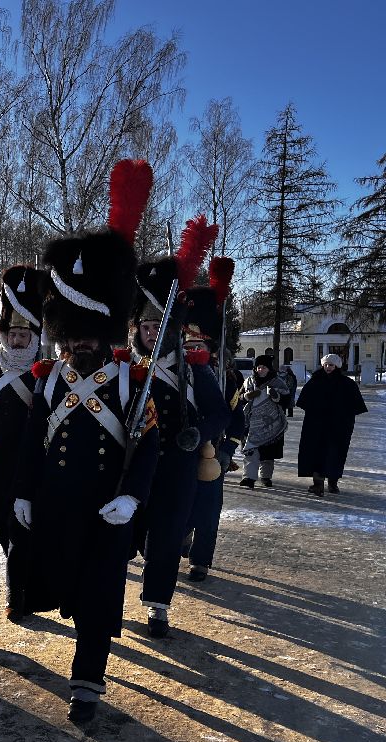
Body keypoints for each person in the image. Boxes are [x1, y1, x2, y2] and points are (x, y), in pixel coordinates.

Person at [14, 158, 159, 723]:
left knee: (100, 596)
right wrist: (24, 490)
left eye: (86, 334)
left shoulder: (131, 381)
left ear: (106, 331)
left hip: (107, 506)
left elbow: (148, 442)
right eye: (69, 335)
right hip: (57, 503)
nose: (77, 344)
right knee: (67, 586)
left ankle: (87, 680)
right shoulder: (48, 379)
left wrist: (135, 495)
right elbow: (33, 439)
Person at [130, 216, 229, 638]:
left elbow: (220, 414)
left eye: (159, 327)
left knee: (168, 537)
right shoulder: (126, 369)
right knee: (129, 534)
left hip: (177, 464)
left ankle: (157, 606)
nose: (151, 334)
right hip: (134, 467)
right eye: (145, 327)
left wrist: (198, 435)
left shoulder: (194, 369)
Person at [0, 264, 49, 621]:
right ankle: (20, 577)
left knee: (20, 533)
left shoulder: (45, 374)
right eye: (12, 334)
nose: (17, 341)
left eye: (24, 334)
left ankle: (16, 591)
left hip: (27, 468)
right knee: (2, 528)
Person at [181, 258, 244, 583]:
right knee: (181, 507)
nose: (192, 348)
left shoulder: (226, 378)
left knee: (208, 511)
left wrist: (227, 451)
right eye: (187, 343)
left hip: (213, 453)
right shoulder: (172, 372)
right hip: (179, 452)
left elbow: (236, 421)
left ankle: (201, 560)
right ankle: (182, 538)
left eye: (198, 344)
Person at [297, 353, 368, 495]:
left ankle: (333, 483)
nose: (328, 367)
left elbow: (356, 406)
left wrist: (343, 416)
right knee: (316, 454)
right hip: (316, 426)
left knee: (335, 454)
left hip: (338, 427)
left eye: (331, 365)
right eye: (326, 364)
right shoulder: (314, 381)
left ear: (337, 366)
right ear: (322, 365)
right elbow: (304, 402)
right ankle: (318, 484)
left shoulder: (347, 384)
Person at [237, 354, 289, 489]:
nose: (260, 370)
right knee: (250, 449)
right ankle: (248, 477)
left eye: (263, 367)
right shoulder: (248, 381)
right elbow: (238, 398)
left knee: (267, 452)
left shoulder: (278, 382)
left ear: (269, 369)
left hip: (271, 423)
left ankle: (265, 477)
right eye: (258, 367)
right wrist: (246, 396)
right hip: (251, 423)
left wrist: (276, 396)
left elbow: (288, 401)